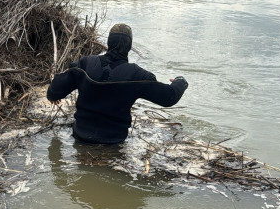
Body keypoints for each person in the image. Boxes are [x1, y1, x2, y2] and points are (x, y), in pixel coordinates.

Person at [47, 23, 188, 144]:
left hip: (81, 137)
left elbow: (54, 90)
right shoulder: (137, 75)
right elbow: (169, 98)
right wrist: (180, 81)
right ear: (129, 46)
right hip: (114, 141)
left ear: (109, 43)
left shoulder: (85, 64)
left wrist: (53, 96)